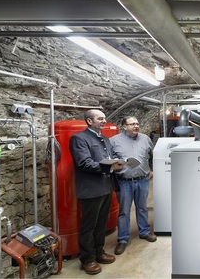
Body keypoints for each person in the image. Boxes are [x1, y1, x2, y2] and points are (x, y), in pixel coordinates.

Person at [69, 109, 123, 275]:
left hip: (106, 187)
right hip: (91, 189)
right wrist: (109, 166)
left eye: (104, 118)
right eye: (100, 118)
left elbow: (110, 156)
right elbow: (83, 163)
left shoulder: (105, 139)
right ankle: (87, 259)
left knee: (101, 223)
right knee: (88, 226)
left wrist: (118, 162)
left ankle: (99, 252)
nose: (104, 121)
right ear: (89, 121)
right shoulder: (79, 139)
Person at [110, 116, 157, 255]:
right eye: (132, 124)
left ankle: (144, 232)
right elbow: (109, 159)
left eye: (137, 123)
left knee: (142, 207)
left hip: (142, 180)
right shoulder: (114, 141)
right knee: (124, 211)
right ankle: (123, 239)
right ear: (124, 126)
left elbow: (152, 154)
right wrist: (114, 166)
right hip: (124, 181)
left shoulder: (145, 139)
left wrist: (152, 169)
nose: (136, 126)